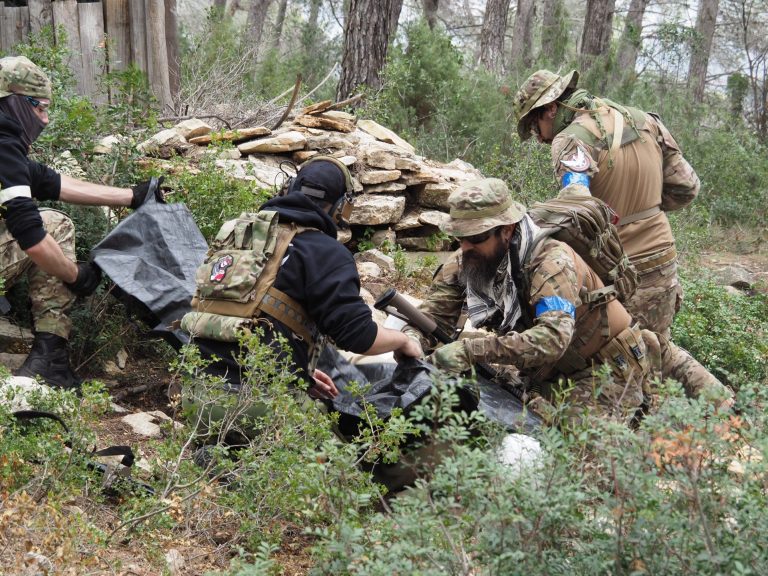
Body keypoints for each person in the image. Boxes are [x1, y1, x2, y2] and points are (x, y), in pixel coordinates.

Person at [512, 70, 732, 405]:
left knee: (627, 354)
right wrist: (644, 210)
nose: (539, 137)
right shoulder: (645, 121)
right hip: (663, 254)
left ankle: (641, 440)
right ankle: (724, 408)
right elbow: (688, 187)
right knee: (660, 347)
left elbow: (578, 205)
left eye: (534, 125)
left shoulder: (571, 140)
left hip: (622, 270)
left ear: (550, 109)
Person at [407, 177, 658, 426]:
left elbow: (552, 339)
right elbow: (433, 316)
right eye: (460, 237)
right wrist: (412, 341)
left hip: (604, 368)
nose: (465, 246)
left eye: (476, 237)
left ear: (507, 230)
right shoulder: (468, 259)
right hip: (545, 371)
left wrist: (470, 351)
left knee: (568, 453)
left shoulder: (551, 262)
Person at [183, 156, 423, 401]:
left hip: (194, 391)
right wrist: (403, 341)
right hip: (259, 402)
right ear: (341, 207)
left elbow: (241, 313)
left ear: (289, 188)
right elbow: (359, 336)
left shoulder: (237, 234)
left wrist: (299, 373)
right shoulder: (325, 251)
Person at [0, 55, 162, 389]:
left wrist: (131, 196)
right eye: (40, 107)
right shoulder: (2, 143)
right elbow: (31, 237)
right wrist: (78, 275)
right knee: (54, 227)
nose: (44, 119)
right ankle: (49, 360)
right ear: (14, 101)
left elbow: (49, 181)